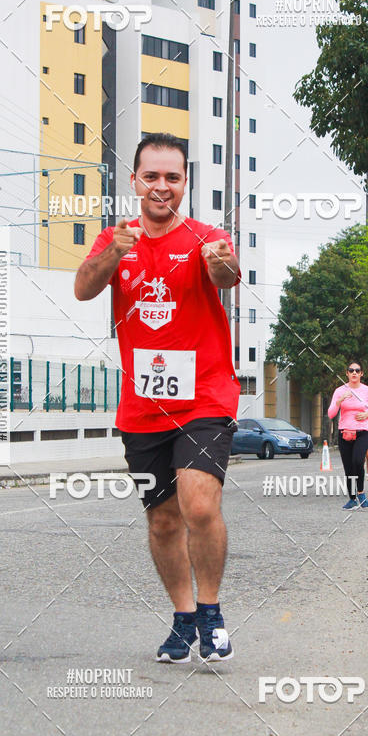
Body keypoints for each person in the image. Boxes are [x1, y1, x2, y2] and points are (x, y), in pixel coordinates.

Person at [74, 132, 240, 664]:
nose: (162, 186)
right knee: (163, 520)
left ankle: (211, 612)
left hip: (205, 397)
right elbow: (83, 288)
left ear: (185, 182)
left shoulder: (207, 237)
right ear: (135, 181)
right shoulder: (115, 238)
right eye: (152, 176)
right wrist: (112, 254)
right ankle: (183, 618)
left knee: (198, 504)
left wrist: (218, 262)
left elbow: (227, 277)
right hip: (143, 405)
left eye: (173, 177)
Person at [327, 361, 368, 509]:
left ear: (361, 373)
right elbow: (331, 414)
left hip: (362, 432)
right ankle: (352, 499)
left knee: (358, 461)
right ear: (347, 373)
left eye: (357, 370)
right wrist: (339, 401)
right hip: (344, 432)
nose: (354, 373)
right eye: (351, 370)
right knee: (348, 467)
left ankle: (361, 492)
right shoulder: (340, 391)